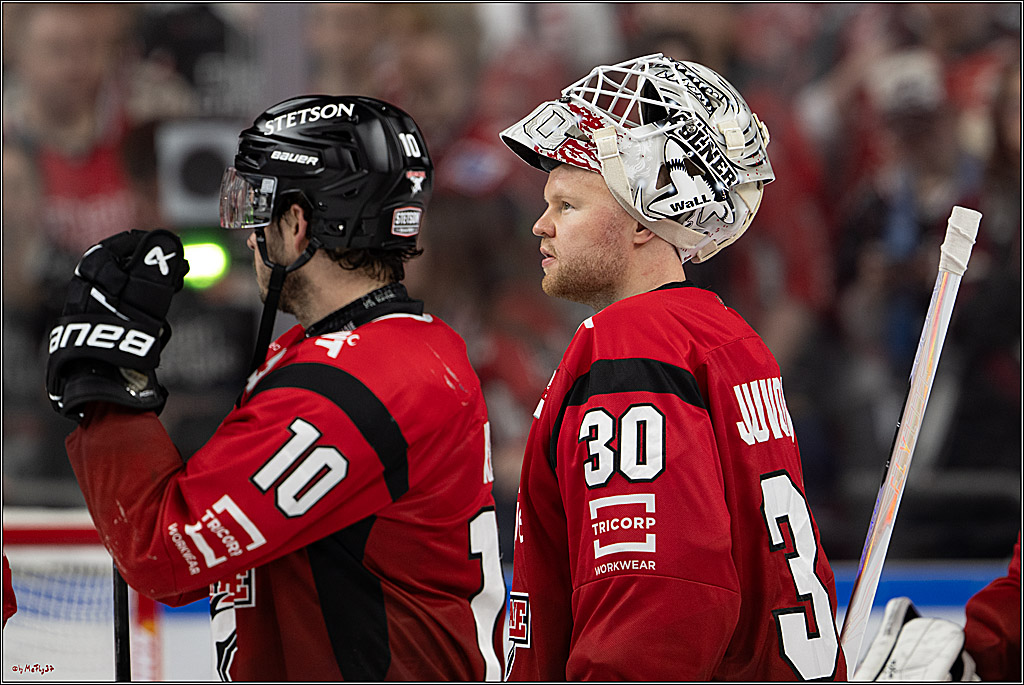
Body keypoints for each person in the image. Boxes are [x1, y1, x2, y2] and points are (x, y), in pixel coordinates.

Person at [44, 95, 506, 681]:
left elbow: (166, 553)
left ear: (296, 223)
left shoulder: (346, 389)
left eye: (259, 206)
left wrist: (108, 390)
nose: (248, 234)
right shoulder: (410, 348)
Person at [497, 53, 847, 680]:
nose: (540, 225)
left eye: (567, 204)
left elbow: (657, 596)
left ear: (640, 219)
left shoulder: (635, 344)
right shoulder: (726, 336)